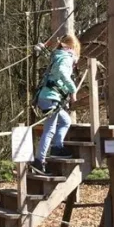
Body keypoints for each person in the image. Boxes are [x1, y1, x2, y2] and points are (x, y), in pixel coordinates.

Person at [31, 34, 80, 175]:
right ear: (71, 48)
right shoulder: (65, 58)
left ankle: (57, 147)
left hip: (47, 96)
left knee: (65, 121)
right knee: (50, 129)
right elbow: (62, 73)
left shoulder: (57, 56)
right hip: (50, 97)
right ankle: (39, 161)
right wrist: (73, 91)